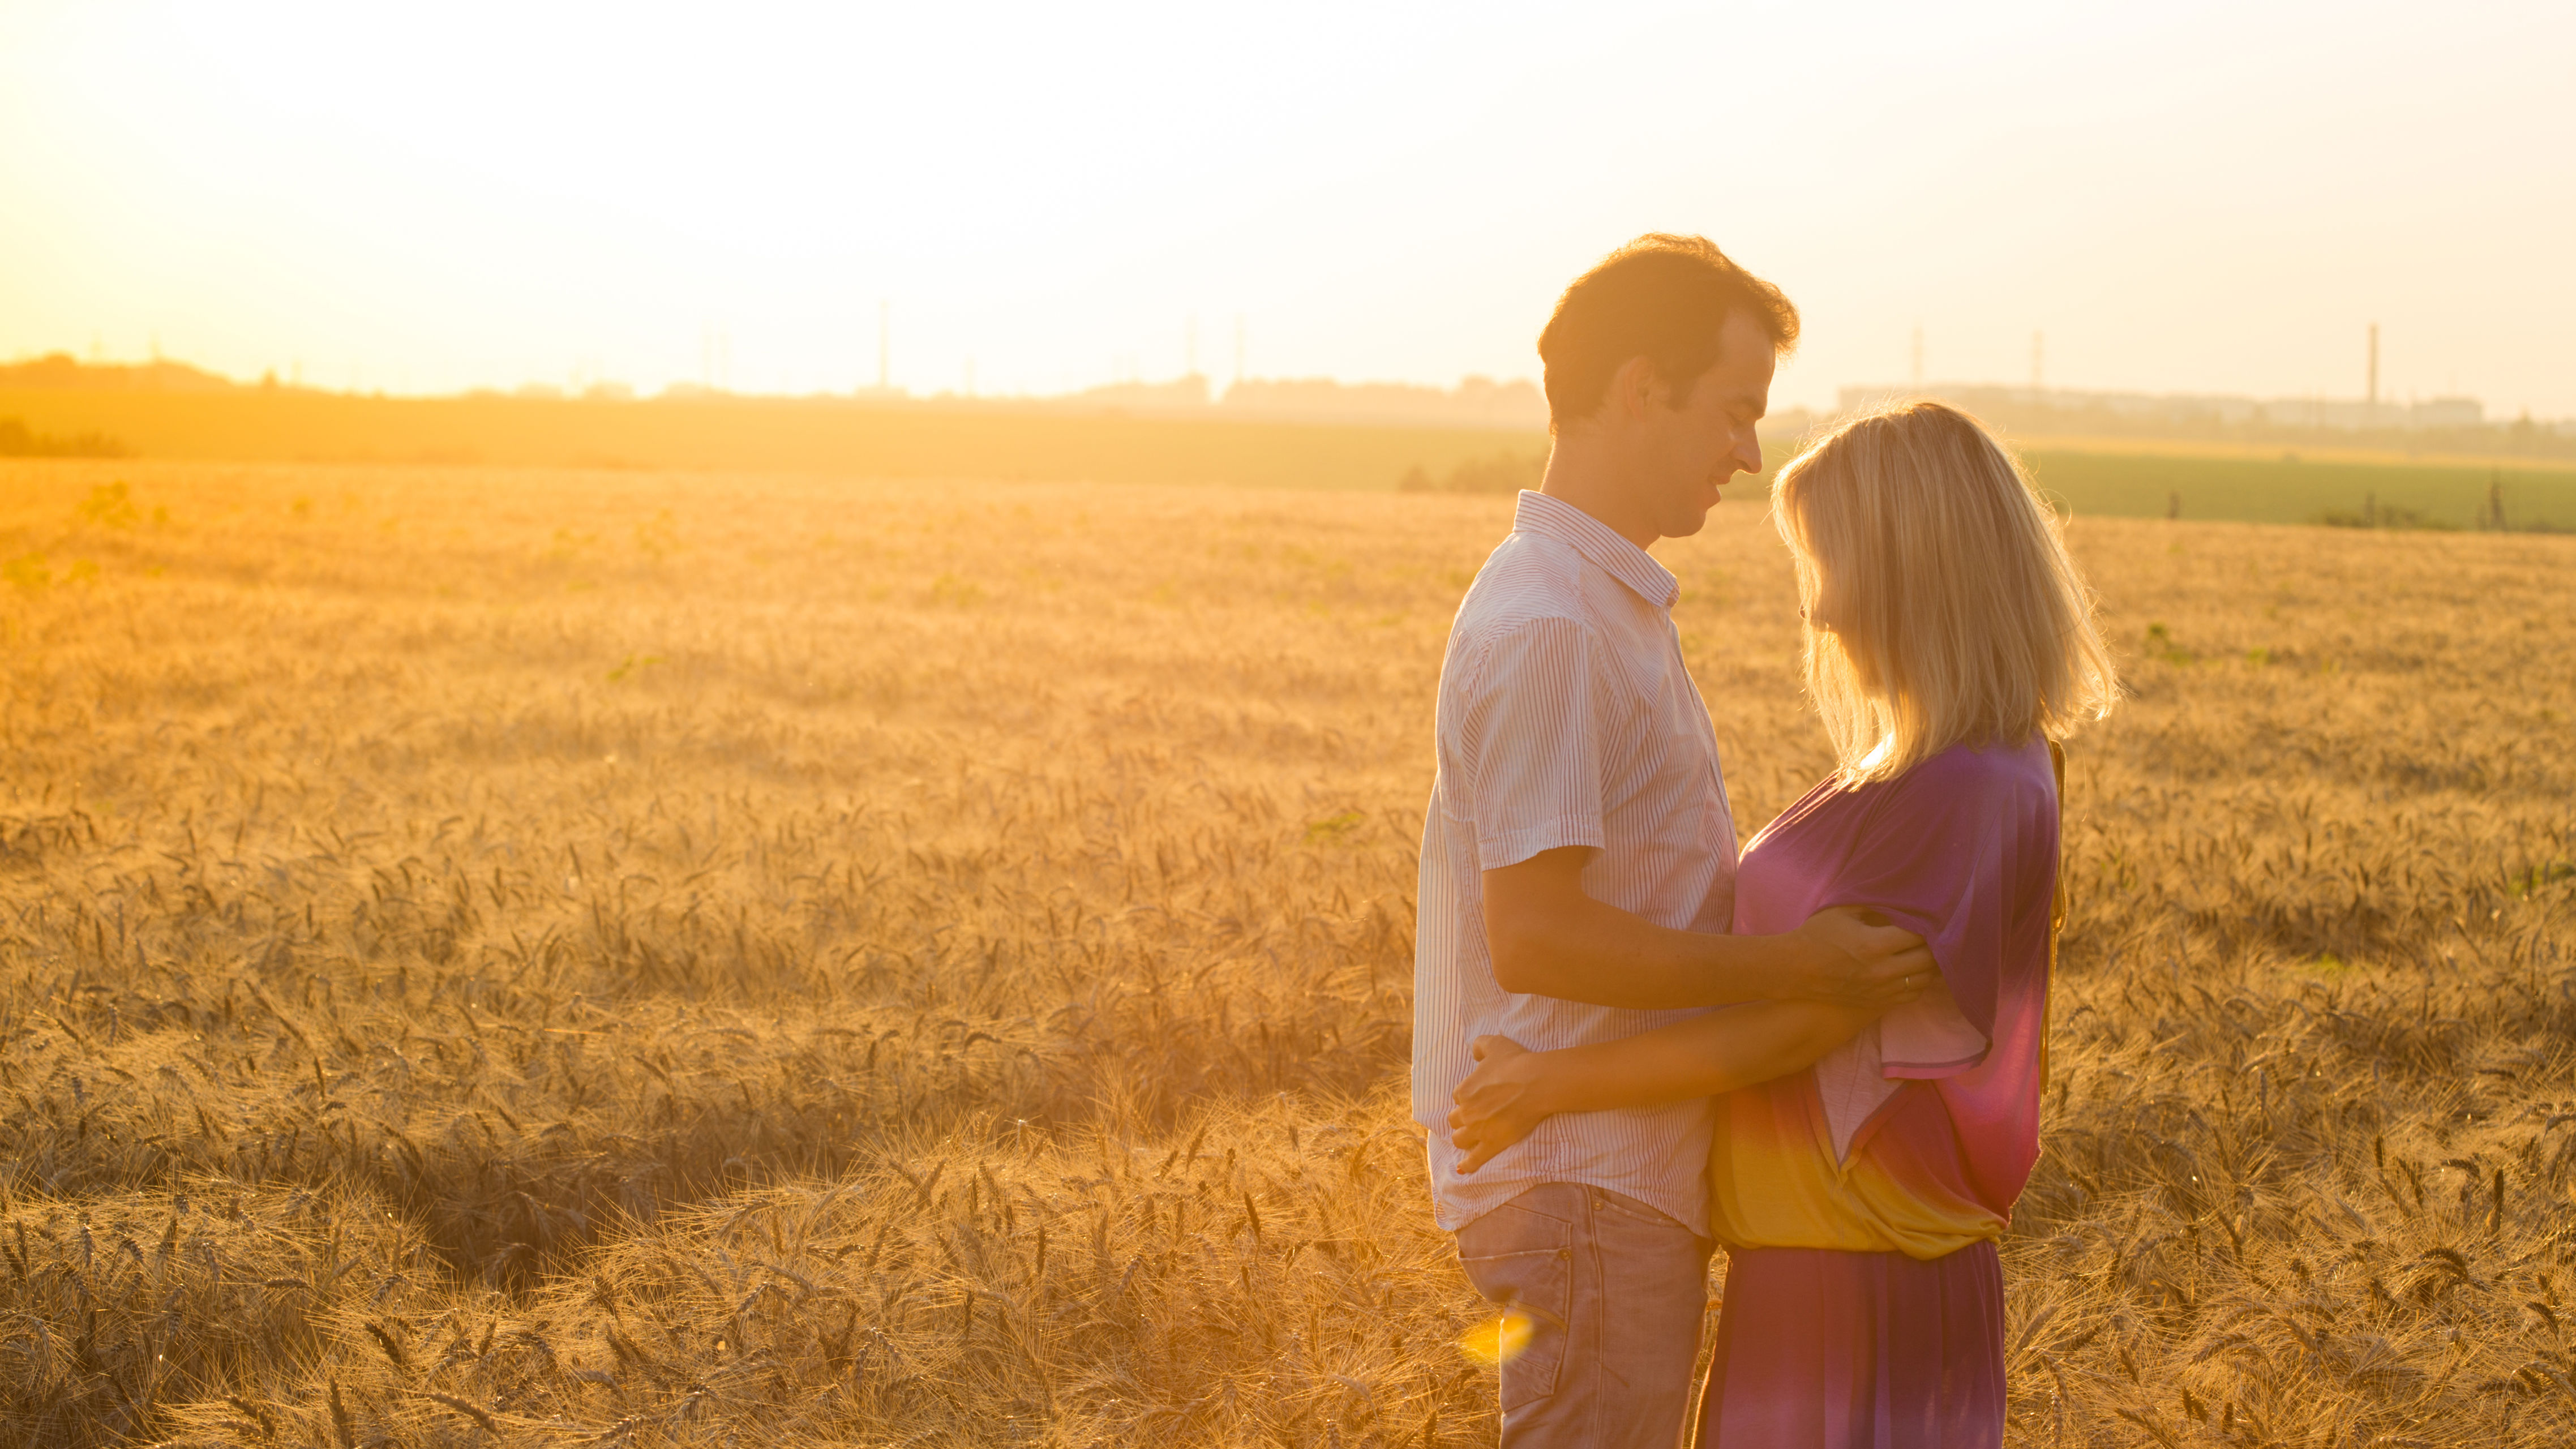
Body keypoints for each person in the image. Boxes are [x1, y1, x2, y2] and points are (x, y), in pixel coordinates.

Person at [1447, 399, 2121, 1448]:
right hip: (1825, 1274)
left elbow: (1798, 1027)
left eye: (1829, 566)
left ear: (1911, 572)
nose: (1822, 615)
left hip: (1860, 1291)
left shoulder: (1964, 789)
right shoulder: (1954, 771)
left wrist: (1549, 1083)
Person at [1412, 234, 1939, 1449]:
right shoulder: (1552, 620)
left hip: (1601, 1175)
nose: (1748, 451)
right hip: (1580, 1179)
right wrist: (1799, 968)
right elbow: (1536, 935)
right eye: (1732, 409)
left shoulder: (1597, 605)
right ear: (1639, 387)